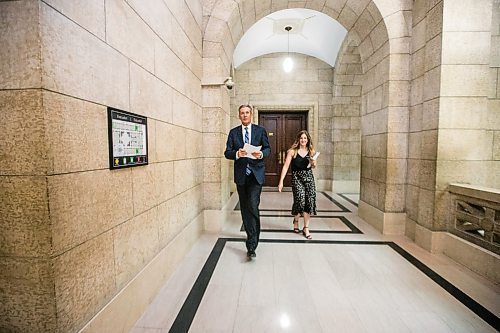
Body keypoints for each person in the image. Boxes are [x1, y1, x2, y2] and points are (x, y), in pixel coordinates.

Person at [224, 104, 271, 258]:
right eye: (242, 113)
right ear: (239, 116)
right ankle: (252, 235)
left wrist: (261, 154)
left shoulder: (260, 131)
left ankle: (252, 243)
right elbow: (227, 152)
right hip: (241, 175)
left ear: (251, 115)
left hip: (256, 175)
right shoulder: (233, 133)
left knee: (252, 204)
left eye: (247, 113)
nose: (244, 115)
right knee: (245, 208)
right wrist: (237, 153)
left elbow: (267, 148)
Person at [278, 130, 317, 239]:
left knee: (309, 201)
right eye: (301, 138)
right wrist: (281, 182)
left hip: (309, 178)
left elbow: (313, 166)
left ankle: (306, 227)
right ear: (298, 140)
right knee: (300, 200)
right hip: (297, 178)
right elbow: (285, 167)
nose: (303, 140)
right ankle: (296, 219)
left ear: (308, 140)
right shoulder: (292, 151)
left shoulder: (311, 151)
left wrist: (313, 162)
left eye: (305, 138)